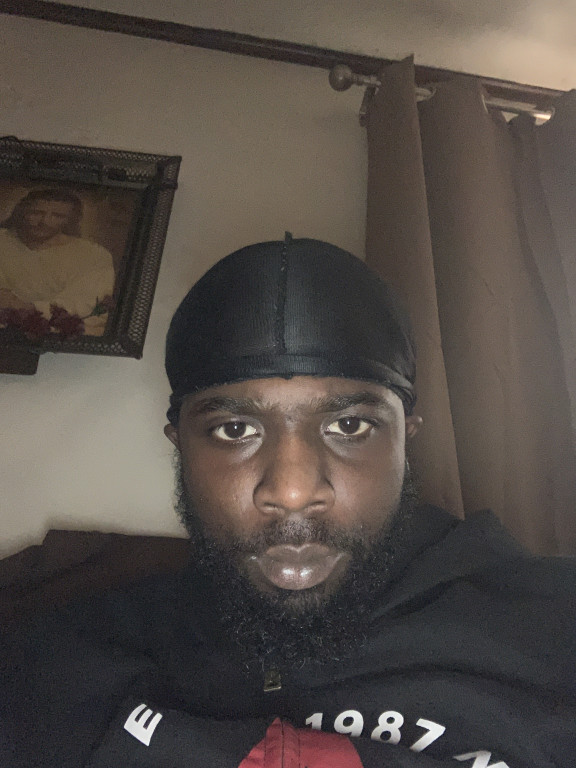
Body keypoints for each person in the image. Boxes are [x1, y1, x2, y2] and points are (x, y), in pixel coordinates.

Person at [1, 235, 575, 767]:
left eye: (349, 425)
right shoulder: (63, 663)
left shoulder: (552, 627)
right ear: (181, 447)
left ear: (406, 439)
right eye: (234, 430)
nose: (294, 491)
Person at [0, 188, 115, 335]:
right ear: (23, 212)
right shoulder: (3, 240)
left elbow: (90, 304)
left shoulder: (93, 255)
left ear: (70, 219)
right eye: (36, 213)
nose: (44, 222)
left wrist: (28, 308)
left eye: (57, 216)